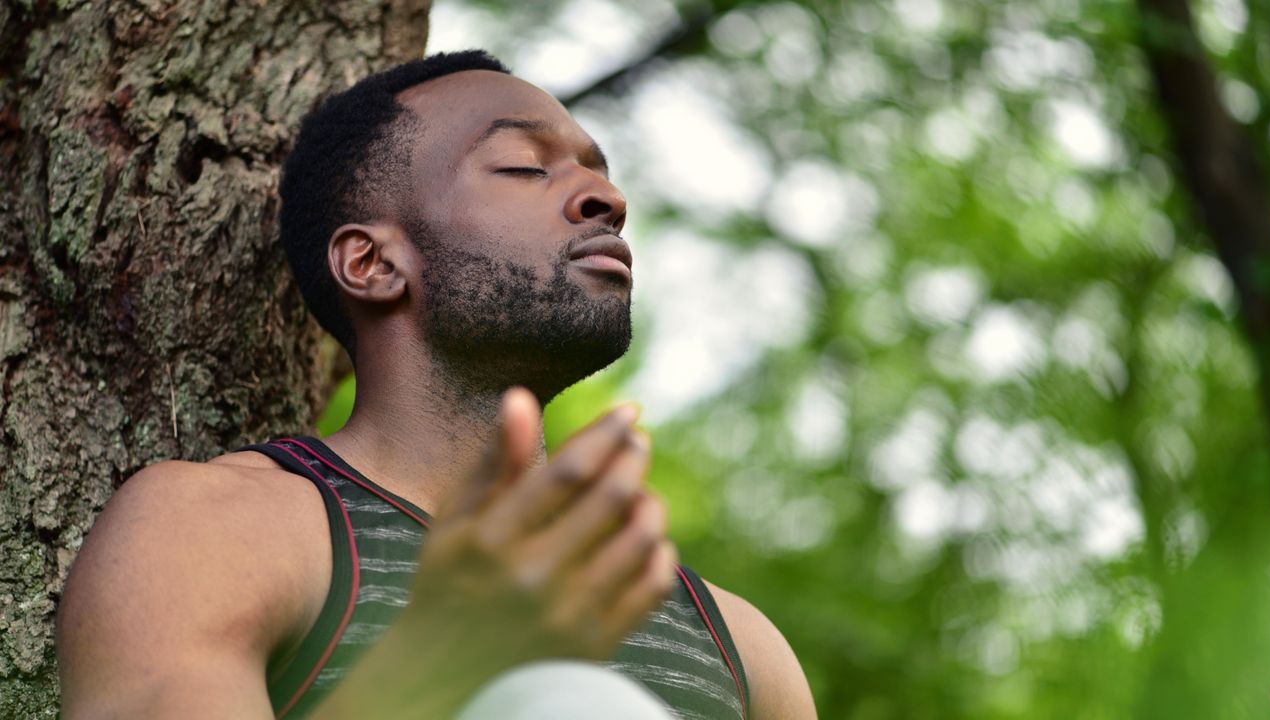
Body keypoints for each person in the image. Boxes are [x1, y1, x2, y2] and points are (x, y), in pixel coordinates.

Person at [55, 50, 817, 720]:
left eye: (601, 174)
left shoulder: (739, 643)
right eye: (524, 165)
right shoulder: (215, 531)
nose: (605, 199)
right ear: (373, 263)